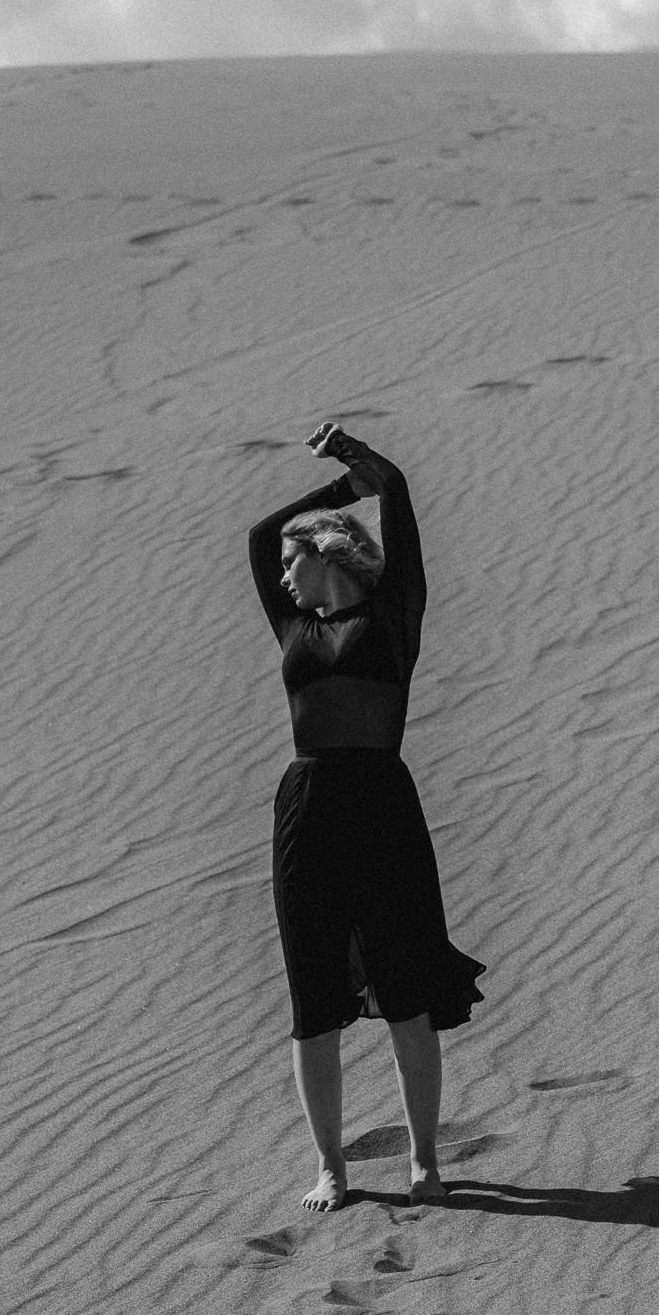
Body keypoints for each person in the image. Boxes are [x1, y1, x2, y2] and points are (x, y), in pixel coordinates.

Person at [249, 422, 486, 1212]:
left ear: (326, 554)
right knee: (312, 995)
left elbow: (398, 496)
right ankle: (331, 1167)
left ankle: (423, 1159)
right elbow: (257, 538)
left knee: (405, 982)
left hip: (382, 808)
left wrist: (352, 461)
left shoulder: (393, 619)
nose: (282, 575)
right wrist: (330, 494)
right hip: (307, 810)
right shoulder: (295, 630)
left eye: (295, 560)